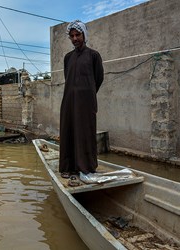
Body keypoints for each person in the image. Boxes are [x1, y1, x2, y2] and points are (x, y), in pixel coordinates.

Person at [59, 20, 104, 183]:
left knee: (86, 132)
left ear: (84, 35)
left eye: (78, 35)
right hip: (69, 101)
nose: (75, 38)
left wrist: (87, 94)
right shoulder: (68, 58)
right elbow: (68, 77)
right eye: (72, 36)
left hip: (86, 103)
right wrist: (75, 93)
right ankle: (68, 167)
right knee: (68, 131)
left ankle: (87, 167)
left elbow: (98, 78)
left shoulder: (93, 55)